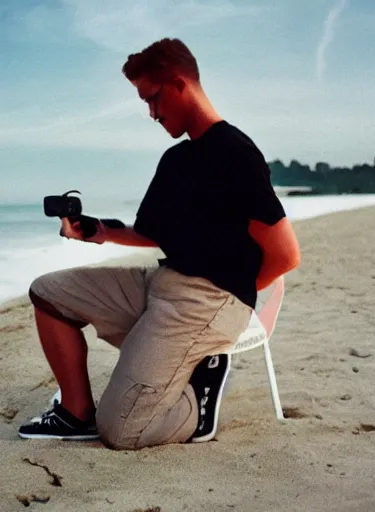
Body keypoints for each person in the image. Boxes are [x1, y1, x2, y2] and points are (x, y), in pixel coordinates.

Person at [17, 38, 301, 449]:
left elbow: (286, 255)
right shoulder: (176, 161)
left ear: (180, 83)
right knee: (47, 293)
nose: (150, 113)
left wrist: (230, 297)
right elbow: (154, 233)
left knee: (121, 429)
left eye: (153, 98)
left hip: (207, 300)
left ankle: (199, 398)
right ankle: (76, 412)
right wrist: (99, 231)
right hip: (162, 282)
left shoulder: (236, 154)